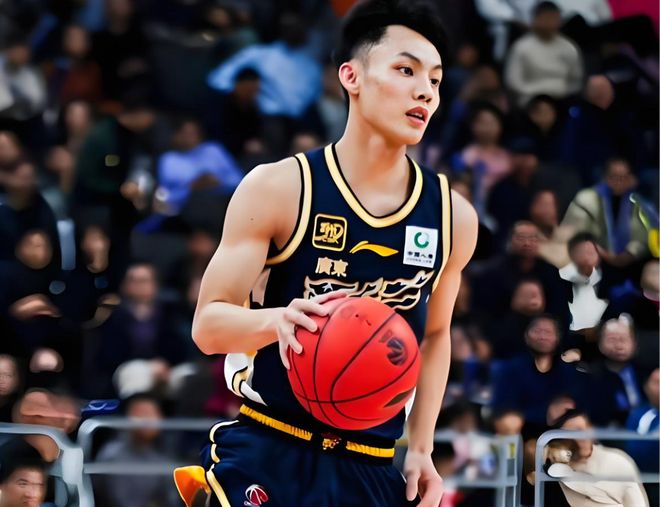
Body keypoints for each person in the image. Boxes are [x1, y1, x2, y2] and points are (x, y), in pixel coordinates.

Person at [184, 1, 478, 506]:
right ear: (351, 76)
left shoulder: (454, 217)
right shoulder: (279, 187)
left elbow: (434, 336)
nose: (425, 91)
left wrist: (421, 447)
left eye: (435, 79)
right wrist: (276, 321)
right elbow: (208, 326)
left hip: (372, 462)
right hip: (271, 447)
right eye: (405, 70)